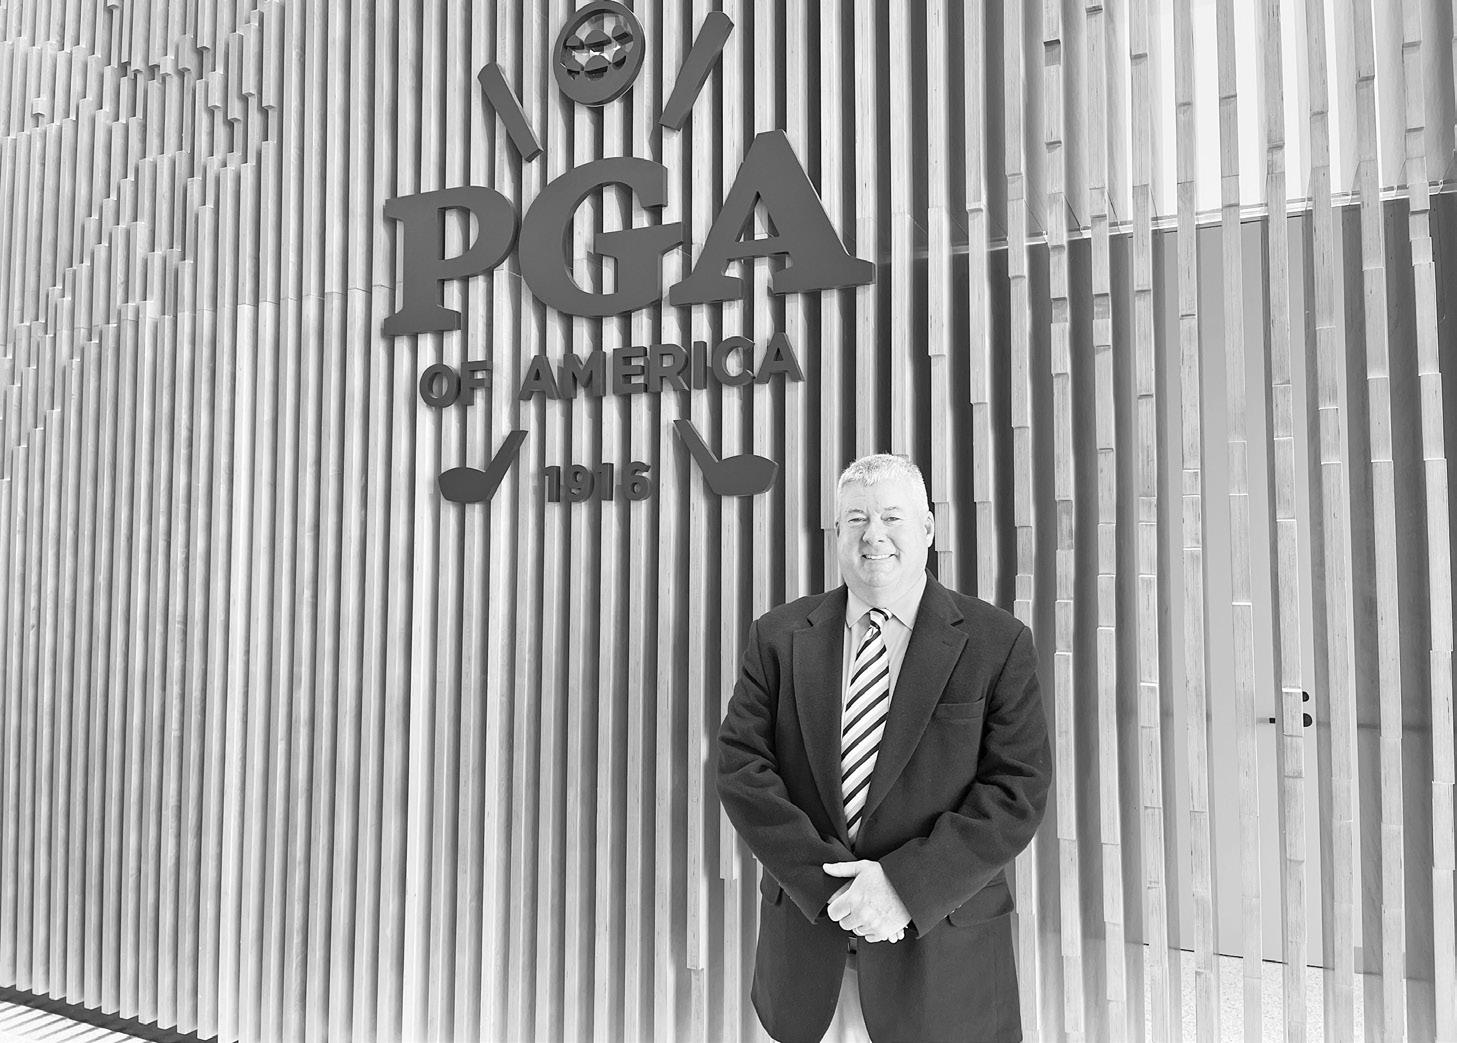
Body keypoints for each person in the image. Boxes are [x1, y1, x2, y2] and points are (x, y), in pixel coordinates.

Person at [716, 453, 1051, 1043]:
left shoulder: (997, 642)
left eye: (892, 517)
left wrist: (901, 888)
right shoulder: (778, 636)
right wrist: (834, 890)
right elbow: (742, 768)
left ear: (927, 528)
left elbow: (1015, 791)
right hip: (808, 951)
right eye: (856, 519)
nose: (874, 535)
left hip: (940, 954)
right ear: (837, 532)